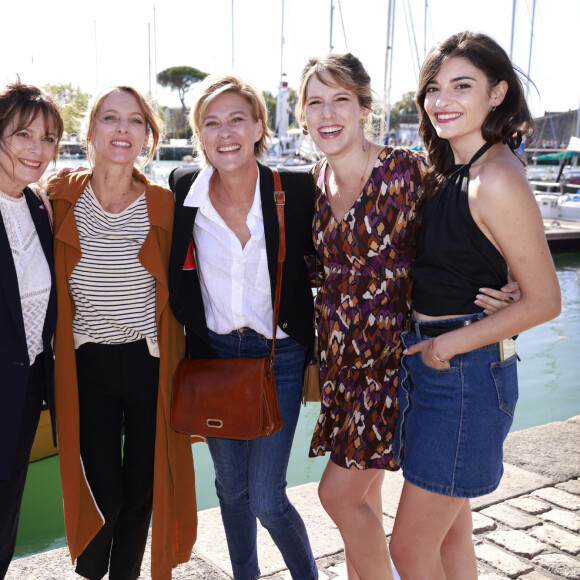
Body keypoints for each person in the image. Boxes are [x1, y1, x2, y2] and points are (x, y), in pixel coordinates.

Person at [294, 52, 519, 580]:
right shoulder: (313, 183)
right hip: (345, 371)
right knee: (449, 522)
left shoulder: (409, 170)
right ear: (302, 115)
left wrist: (507, 280)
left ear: (364, 108)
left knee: (341, 497)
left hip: (403, 364)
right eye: (315, 102)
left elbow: (472, 228)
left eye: (341, 100)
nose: (328, 114)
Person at [389, 31, 561, 579]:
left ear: (497, 93)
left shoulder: (496, 177)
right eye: (434, 88)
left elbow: (546, 301)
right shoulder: (452, 170)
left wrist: (444, 346)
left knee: (410, 550)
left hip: (462, 373)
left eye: (462, 86)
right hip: (445, 367)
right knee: (450, 541)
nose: (443, 100)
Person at [168, 74, 318, 580]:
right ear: (200, 135)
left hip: (281, 356)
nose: (225, 132)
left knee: (267, 498)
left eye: (237, 119)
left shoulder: (296, 189)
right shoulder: (183, 189)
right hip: (214, 356)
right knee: (230, 491)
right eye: (211, 123)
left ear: (258, 126)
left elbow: (348, 252)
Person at [47, 86, 197, 580]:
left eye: (135, 121)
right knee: (101, 491)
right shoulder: (59, 196)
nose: (121, 129)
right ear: (90, 130)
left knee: (142, 490)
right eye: (110, 118)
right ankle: (92, 573)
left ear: (148, 136)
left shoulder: (163, 204)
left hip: (149, 364)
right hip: (86, 363)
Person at [0, 82, 63, 579]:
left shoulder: (39, 207)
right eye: (23, 134)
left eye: (48, 137)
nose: (37, 150)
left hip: (23, 396)